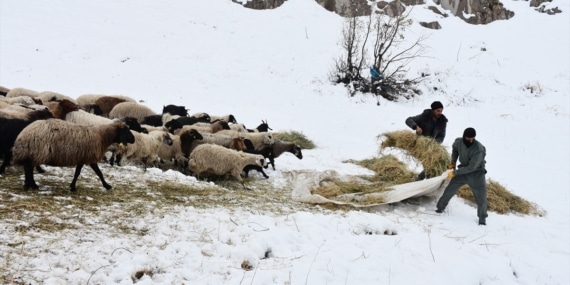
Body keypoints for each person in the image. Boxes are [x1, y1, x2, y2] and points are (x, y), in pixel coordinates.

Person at [435, 127, 488, 226]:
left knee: (481, 197)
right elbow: (455, 151)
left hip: (476, 174)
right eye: (468, 138)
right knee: (450, 189)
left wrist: (455, 173)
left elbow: (472, 167)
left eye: (473, 138)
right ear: (464, 137)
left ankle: (482, 218)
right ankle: (440, 208)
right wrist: (452, 163)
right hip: (462, 171)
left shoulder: (479, 149)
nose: (471, 140)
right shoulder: (458, 142)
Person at [405, 101, 448, 179]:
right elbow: (408, 120)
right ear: (433, 110)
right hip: (420, 144)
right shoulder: (425, 116)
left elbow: (441, 136)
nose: (440, 113)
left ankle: (421, 179)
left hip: (431, 146)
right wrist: (416, 127)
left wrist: (433, 143)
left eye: (441, 111)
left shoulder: (443, 121)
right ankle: (421, 180)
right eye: (438, 111)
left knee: (435, 164)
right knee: (428, 164)